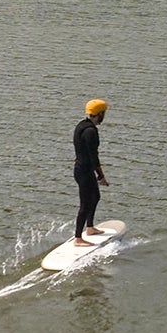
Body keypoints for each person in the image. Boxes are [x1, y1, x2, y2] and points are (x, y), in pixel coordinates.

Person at [72, 99, 109, 246]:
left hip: (82, 169)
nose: (104, 116)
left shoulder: (82, 125)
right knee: (85, 204)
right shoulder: (90, 132)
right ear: (99, 114)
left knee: (95, 197)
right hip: (84, 171)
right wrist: (101, 176)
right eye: (103, 113)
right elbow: (94, 158)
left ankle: (90, 228)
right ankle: (78, 238)